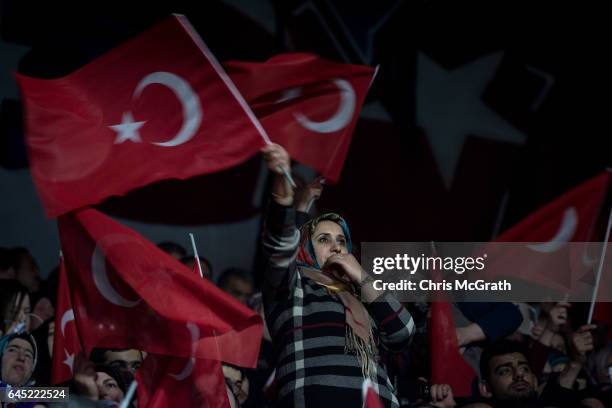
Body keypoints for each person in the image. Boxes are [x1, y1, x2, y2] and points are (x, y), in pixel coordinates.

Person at [260, 143, 415, 407]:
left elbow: (403, 332)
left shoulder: (364, 294)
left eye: (342, 240)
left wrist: (361, 275)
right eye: (323, 239)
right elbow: (282, 244)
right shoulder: (293, 286)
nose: (336, 246)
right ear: (307, 249)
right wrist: (287, 200)